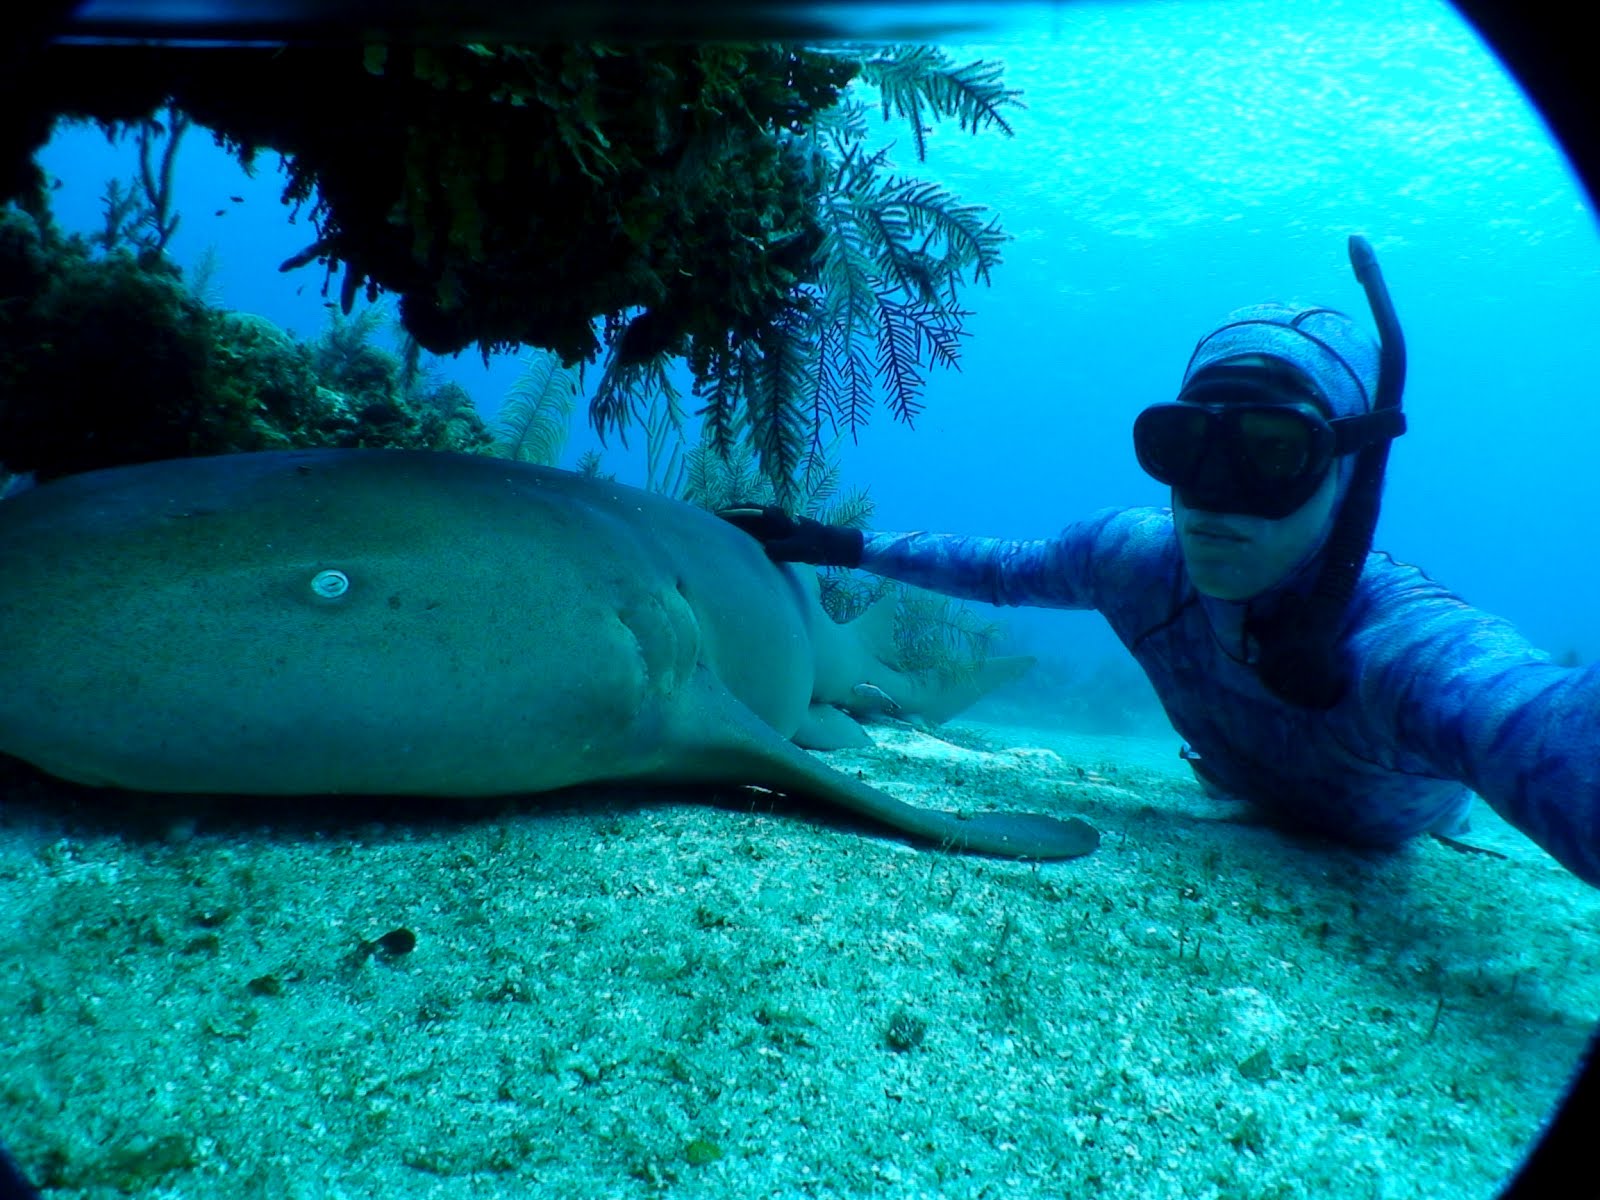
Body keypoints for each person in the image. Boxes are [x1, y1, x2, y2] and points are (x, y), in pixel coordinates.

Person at [722, 236, 1600, 888]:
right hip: (1236, 787)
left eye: (1271, 452)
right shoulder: (1140, 561)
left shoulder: (1402, 644)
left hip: (1407, 826)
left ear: (1348, 474)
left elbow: (1532, 721)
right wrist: (834, 542)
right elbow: (997, 566)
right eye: (1186, 446)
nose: (1216, 496)